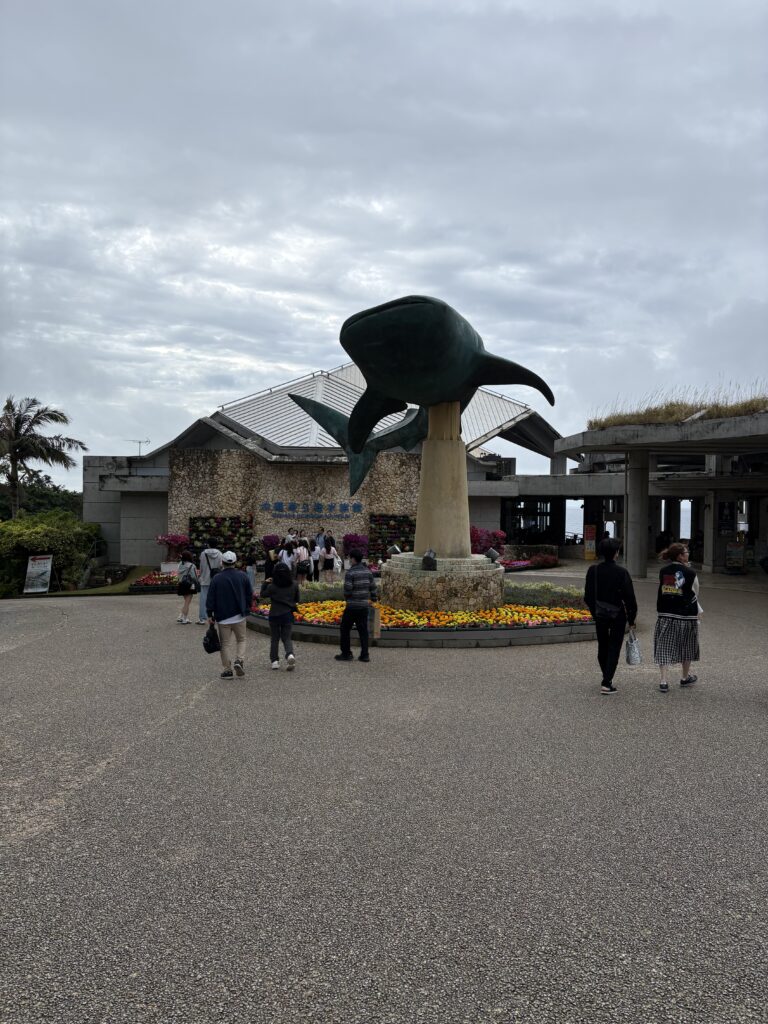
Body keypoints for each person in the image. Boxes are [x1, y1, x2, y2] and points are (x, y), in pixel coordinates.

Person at [584, 538, 637, 694]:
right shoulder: (622, 572)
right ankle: (607, 682)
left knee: (603, 645)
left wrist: (595, 612)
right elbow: (630, 598)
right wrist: (632, 618)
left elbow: (588, 596)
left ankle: (606, 676)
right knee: (614, 647)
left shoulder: (593, 570)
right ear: (616, 553)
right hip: (617, 615)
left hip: (600, 613)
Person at [653, 542, 701, 693]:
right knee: (687, 646)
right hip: (686, 615)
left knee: (664, 646)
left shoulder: (663, 571)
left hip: (666, 614)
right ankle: (685, 677)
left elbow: (663, 589)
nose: (688, 554)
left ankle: (663, 681)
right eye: (686, 552)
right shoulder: (691, 572)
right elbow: (695, 592)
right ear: (680, 556)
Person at [206, 550, 253, 679]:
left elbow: (211, 598)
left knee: (225, 644)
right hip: (239, 615)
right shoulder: (242, 576)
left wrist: (209, 614)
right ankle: (239, 660)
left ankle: (227, 670)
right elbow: (249, 593)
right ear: (235, 562)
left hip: (222, 617)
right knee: (241, 639)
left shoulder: (217, 578)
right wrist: (247, 607)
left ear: (222, 562)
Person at [335, 548, 377, 663]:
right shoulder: (368, 572)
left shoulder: (351, 573)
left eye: (349, 558)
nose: (349, 560)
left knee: (345, 629)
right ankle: (365, 655)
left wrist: (348, 597)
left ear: (353, 559)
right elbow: (373, 588)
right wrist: (373, 599)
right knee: (363, 631)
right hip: (364, 606)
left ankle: (346, 653)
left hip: (352, 606)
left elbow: (348, 590)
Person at [260, 561, 299, 670]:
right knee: (287, 638)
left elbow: (262, 594)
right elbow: (297, 599)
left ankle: (275, 661)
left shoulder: (272, 586)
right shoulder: (294, 584)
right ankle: (290, 654)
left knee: (275, 639)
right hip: (287, 614)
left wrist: (265, 583)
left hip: (274, 614)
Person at [197, 537, 223, 624]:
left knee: (204, 599)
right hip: (216, 579)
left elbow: (201, 567)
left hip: (205, 579)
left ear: (208, 544)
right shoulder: (220, 554)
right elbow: (221, 567)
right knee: (217, 598)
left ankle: (202, 618)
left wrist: (200, 576)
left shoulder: (203, 554)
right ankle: (216, 616)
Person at [175, 549, 199, 624]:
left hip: (181, 584)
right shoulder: (192, 565)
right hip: (189, 585)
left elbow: (178, 574)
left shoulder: (180, 564)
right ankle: (184, 619)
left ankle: (181, 616)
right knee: (187, 603)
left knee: (186, 602)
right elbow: (194, 577)